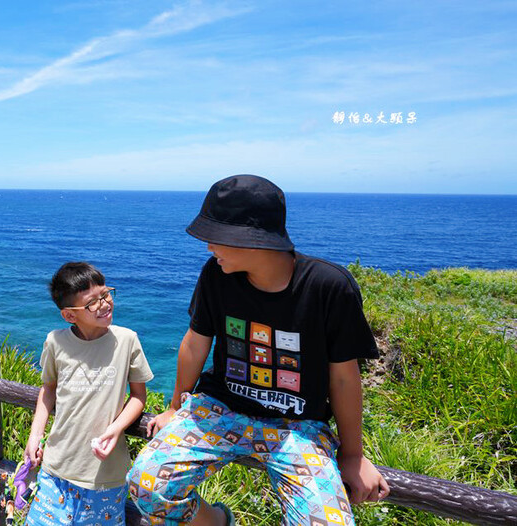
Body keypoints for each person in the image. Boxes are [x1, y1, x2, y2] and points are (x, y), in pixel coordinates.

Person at [127, 175, 389, 526]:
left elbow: (343, 376)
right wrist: (175, 406)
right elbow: (195, 342)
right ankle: (217, 522)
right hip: (221, 409)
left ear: (252, 239)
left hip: (298, 426)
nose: (209, 247)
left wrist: (353, 455)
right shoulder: (217, 275)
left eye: (216, 236)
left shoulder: (328, 286)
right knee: (146, 485)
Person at [25, 262, 154, 525]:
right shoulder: (55, 341)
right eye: (92, 302)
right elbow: (48, 389)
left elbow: (138, 396)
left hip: (106, 475)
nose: (104, 304)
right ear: (69, 315)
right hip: (56, 466)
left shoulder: (127, 340)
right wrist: (35, 435)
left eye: (105, 294)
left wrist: (116, 429)